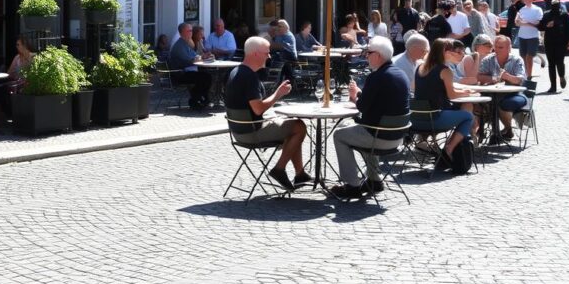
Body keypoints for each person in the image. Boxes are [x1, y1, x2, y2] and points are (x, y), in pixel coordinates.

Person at [330, 36, 411, 198]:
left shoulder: (376, 77)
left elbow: (362, 106)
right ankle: (374, 179)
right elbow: (377, 100)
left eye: (369, 52)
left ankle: (352, 185)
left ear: (378, 55)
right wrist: (358, 93)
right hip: (397, 136)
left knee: (339, 134)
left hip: (379, 136)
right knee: (357, 128)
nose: (366, 56)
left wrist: (354, 96)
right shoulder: (400, 74)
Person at [224, 36, 309, 191]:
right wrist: (278, 94)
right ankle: (279, 169)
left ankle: (300, 174)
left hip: (239, 130)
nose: (269, 56)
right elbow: (258, 109)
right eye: (266, 53)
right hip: (251, 132)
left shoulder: (237, 71)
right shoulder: (249, 77)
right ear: (256, 54)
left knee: (291, 124)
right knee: (299, 126)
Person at [412, 38, 476, 173]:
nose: (455, 53)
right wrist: (468, 94)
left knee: (464, 108)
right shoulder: (445, 70)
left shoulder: (420, 67)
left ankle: (451, 149)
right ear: (445, 52)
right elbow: (452, 96)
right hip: (434, 118)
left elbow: (438, 89)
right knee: (468, 116)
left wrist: (464, 91)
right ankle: (449, 149)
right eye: (453, 51)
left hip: (416, 120)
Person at [478, 35, 528, 141]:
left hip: (515, 93)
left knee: (500, 103)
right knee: (480, 103)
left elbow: (520, 80)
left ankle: (505, 130)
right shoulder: (488, 59)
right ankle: (487, 131)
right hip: (493, 92)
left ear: (509, 48)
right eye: (495, 47)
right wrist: (493, 79)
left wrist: (507, 76)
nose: (496, 49)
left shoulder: (516, 60)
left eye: (500, 47)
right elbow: (479, 76)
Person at [168, 23, 213, 110]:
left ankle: (200, 99)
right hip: (179, 74)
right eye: (189, 31)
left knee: (206, 76)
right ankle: (196, 100)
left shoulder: (185, 43)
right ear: (182, 33)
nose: (191, 33)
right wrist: (201, 58)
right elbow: (189, 61)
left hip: (187, 71)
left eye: (191, 31)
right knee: (205, 77)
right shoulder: (179, 46)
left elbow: (195, 56)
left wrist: (204, 56)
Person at [0, 35, 34, 129]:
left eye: (18, 44)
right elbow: (9, 73)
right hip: (16, 83)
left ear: (25, 45)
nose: (16, 46)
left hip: (25, 84)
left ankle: (1, 117)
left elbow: (32, 76)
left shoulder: (33, 57)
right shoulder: (17, 58)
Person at [538, 0, 569, 93]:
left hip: (561, 42)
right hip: (549, 42)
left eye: (556, 5)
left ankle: (561, 76)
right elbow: (540, 26)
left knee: (560, 62)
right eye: (553, 5)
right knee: (551, 64)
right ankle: (553, 86)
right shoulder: (547, 14)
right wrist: (546, 25)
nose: (555, 6)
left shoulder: (564, 15)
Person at [515, 0, 543, 79]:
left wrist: (525, 23)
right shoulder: (522, 10)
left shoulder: (537, 9)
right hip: (522, 35)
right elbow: (517, 22)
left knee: (529, 56)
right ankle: (526, 74)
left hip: (533, 36)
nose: (524, 0)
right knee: (523, 55)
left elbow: (538, 23)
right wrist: (519, 22)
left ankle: (529, 75)